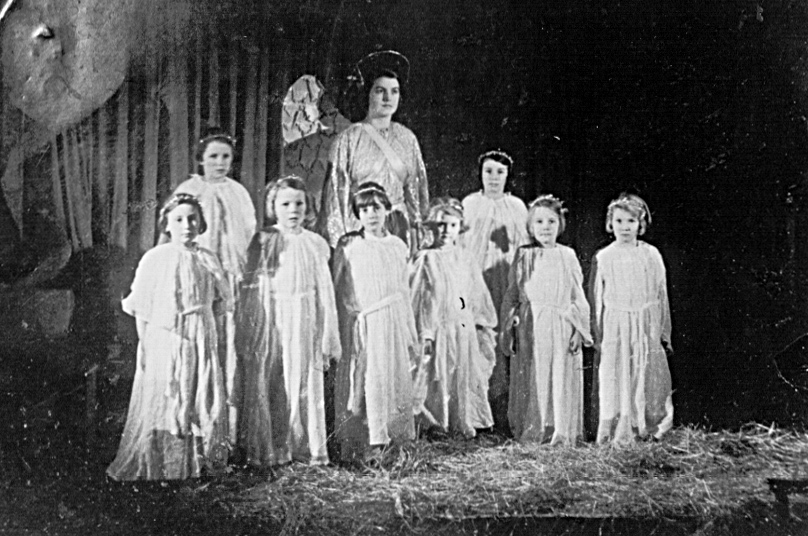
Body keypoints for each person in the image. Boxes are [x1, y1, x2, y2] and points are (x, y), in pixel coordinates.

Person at [107, 194, 231, 480]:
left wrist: (211, 336)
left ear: (201, 223)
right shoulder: (155, 258)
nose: (186, 225)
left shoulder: (208, 258)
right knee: (170, 394)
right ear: (166, 224)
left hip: (200, 333)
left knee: (199, 393)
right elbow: (141, 308)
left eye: (192, 219)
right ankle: (165, 466)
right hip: (167, 336)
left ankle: (198, 463)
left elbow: (219, 303)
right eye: (179, 219)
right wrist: (146, 346)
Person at [238, 177, 340, 467]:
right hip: (274, 317)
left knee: (305, 379)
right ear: (273, 207)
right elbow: (254, 287)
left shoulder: (315, 243)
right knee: (275, 379)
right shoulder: (264, 239)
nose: (293, 210)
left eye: (299, 203)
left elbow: (325, 291)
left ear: (307, 207)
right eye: (285, 204)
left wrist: (327, 333)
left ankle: (306, 447)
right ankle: (274, 447)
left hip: (306, 317)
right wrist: (256, 327)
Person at [170, 127, 257, 444]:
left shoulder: (238, 193)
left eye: (226, 157)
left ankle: (224, 433)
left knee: (227, 348)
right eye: (213, 156)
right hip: (197, 284)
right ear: (201, 158)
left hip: (228, 279)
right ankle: (192, 429)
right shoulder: (189, 189)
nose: (220, 163)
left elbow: (247, 236)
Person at [332, 182, 419, 463]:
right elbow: (338, 287)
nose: (371, 214)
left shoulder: (397, 246)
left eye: (376, 208)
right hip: (365, 323)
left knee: (393, 379)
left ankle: (394, 442)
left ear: (387, 210)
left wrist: (410, 332)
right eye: (364, 209)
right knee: (367, 381)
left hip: (392, 321)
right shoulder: (350, 246)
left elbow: (404, 291)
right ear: (357, 214)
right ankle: (366, 444)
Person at [499, 195, 591, 444]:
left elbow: (577, 296)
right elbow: (512, 295)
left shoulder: (567, 255)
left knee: (560, 375)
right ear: (530, 226)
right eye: (539, 222)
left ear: (560, 225)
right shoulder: (523, 255)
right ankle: (534, 428)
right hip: (531, 325)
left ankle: (559, 430)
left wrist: (578, 330)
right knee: (533, 376)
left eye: (551, 221)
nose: (545, 227)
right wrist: (509, 327)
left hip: (561, 324)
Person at [318, 50, 429, 250]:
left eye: (394, 91)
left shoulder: (408, 139)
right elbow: (335, 199)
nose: (388, 98)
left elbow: (417, 195)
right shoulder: (348, 139)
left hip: (399, 231)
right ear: (368, 93)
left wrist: (417, 238)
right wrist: (343, 246)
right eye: (380, 91)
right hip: (361, 231)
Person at [589, 193, 674, 445]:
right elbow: (598, 299)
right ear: (610, 223)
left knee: (644, 372)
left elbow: (661, 294)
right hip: (617, 323)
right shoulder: (605, 257)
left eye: (631, 221)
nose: (625, 227)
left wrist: (662, 331)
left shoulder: (651, 255)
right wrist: (598, 334)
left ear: (641, 224)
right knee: (617, 374)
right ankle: (618, 426)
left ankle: (646, 426)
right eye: (619, 221)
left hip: (645, 322)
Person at [409, 197, 497, 438]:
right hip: (436, 325)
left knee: (461, 370)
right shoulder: (425, 258)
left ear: (459, 228)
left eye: (452, 225)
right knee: (437, 373)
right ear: (431, 227)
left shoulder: (465, 258)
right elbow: (420, 297)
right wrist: (426, 331)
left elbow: (475, 292)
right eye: (440, 225)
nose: (446, 231)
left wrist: (479, 321)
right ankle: (436, 423)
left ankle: (462, 420)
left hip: (461, 324)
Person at [461, 149, 529, 431]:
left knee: (506, 336)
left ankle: (505, 411)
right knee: (480, 338)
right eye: (488, 171)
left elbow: (523, 247)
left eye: (500, 172)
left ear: (507, 175)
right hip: (477, 280)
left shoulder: (517, 207)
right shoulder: (470, 204)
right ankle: (478, 412)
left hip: (505, 279)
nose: (493, 177)